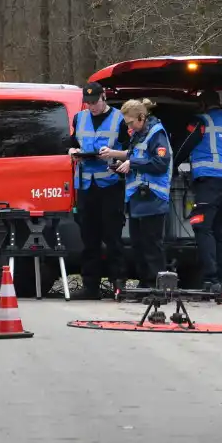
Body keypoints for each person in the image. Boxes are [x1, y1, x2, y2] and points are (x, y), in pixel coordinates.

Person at [66, 81, 130, 300]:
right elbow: (73, 142)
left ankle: (118, 283)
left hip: (110, 183)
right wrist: (73, 150)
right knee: (89, 238)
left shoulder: (119, 118)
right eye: (89, 103)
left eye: (95, 102)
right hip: (86, 184)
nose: (92, 106)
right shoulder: (80, 118)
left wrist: (113, 153)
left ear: (104, 97)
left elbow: (131, 148)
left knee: (113, 237)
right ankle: (90, 286)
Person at [99, 99, 172, 289]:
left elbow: (160, 163)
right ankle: (144, 283)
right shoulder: (138, 135)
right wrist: (114, 155)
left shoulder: (157, 134)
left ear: (141, 117)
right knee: (138, 245)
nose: (129, 127)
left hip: (153, 197)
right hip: (137, 199)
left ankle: (158, 287)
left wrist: (133, 164)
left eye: (131, 123)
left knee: (152, 245)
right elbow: (134, 155)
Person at [178, 89, 222, 295]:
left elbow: (184, 146)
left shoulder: (201, 121)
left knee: (202, 227)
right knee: (221, 231)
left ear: (203, 105)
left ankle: (210, 279)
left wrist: (170, 166)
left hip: (208, 180)